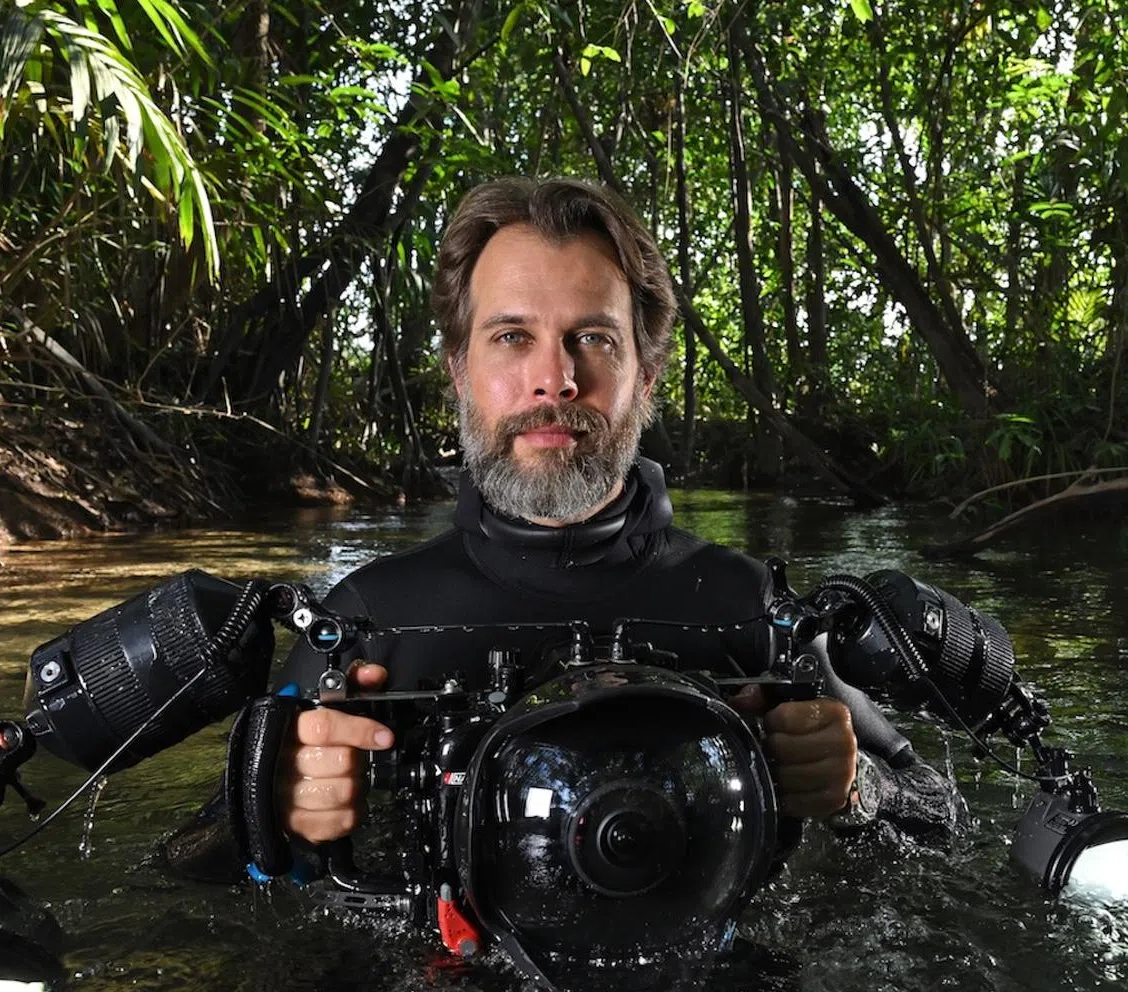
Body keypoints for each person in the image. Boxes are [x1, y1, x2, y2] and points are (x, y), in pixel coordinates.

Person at [266, 176, 959, 856]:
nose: (555, 378)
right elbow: (198, 872)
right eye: (511, 337)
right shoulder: (365, 624)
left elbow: (941, 817)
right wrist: (274, 805)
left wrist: (857, 791)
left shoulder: (751, 612)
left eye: (592, 338)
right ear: (458, 370)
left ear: (648, 375)